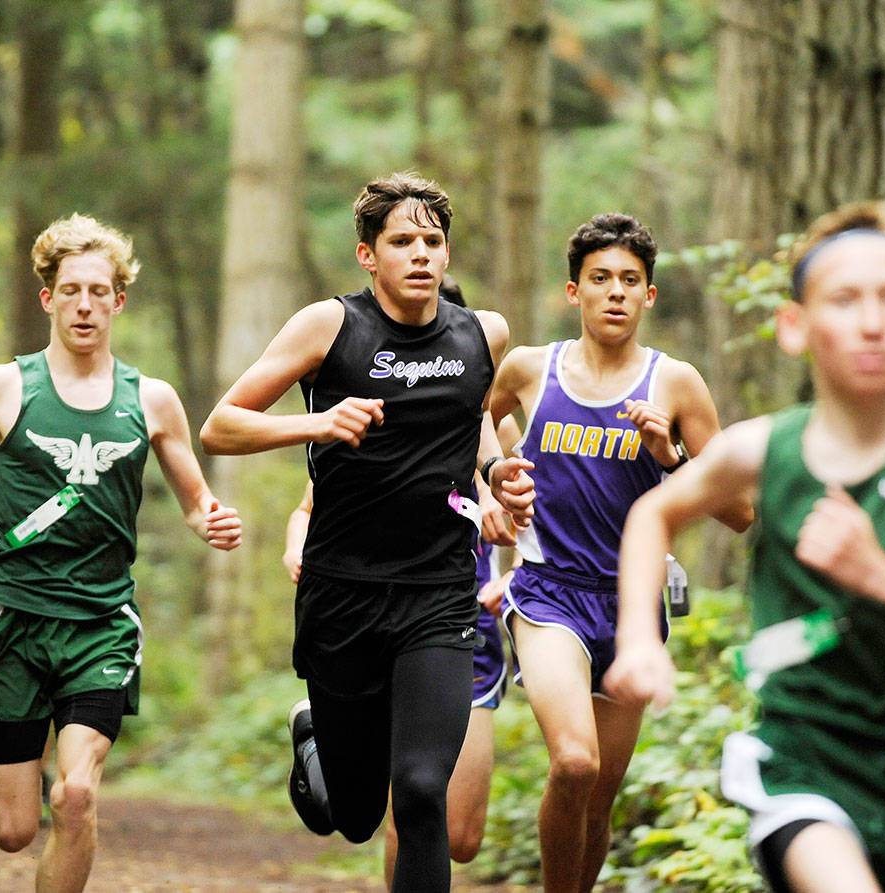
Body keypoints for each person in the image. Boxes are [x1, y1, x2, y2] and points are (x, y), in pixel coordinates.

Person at [606, 201, 885, 893]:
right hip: (800, 776)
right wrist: (638, 639)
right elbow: (652, 512)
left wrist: (877, 573)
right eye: (843, 300)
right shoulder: (763, 448)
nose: (871, 321)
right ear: (795, 326)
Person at [200, 172, 534, 892]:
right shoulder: (330, 326)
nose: (420, 254)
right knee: (352, 813)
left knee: (419, 791)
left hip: (437, 593)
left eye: (434, 241)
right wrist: (315, 421)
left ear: (448, 255)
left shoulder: (484, 333)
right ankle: (317, 736)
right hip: (342, 592)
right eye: (402, 241)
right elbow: (219, 426)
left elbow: (475, 417)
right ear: (367, 254)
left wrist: (502, 473)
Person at [0, 213, 243, 893]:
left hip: (102, 625)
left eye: (99, 291)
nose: (84, 305)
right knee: (13, 829)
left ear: (119, 300)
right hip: (14, 624)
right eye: (71, 291)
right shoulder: (5, 386)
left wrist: (210, 520)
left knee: (76, 796)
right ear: (48, 299)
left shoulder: (151, 400)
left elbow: (195, 500)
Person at [487, 213, 753, 893]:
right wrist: (493, 475)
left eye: (630, 281)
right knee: (573, 764)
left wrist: (674, 455)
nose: (615, 292)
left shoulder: (676, 384)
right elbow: (467, 423)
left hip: (632, 605)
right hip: (547, 592)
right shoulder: (529, 370)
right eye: (600, 278)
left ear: (649, 296)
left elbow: (741, 512)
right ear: (573, 292)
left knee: (598, 796)